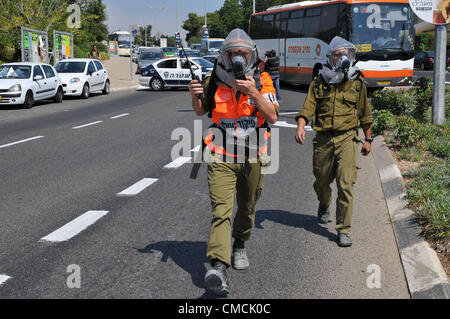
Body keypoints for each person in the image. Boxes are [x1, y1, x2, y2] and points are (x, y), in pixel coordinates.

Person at [188, 29, 279, 296]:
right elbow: (201, 110)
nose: (238, 57)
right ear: (225, 55)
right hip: (221, 153)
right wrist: (194, 94)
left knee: (248, 206)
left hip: (252, 154)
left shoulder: (262, 80)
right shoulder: (214, 79)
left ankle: (239, 242)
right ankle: (218, 266)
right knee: (221, 210)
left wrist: (254, 92)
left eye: (243, 53)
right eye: (233, 53)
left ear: (252, 55)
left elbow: (272, 117)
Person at [294, 36, 373, 247]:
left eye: (346, 54)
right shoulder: (320, 81)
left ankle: (343, 229)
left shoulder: (357, 82)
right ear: (331, 57)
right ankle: (323, 203)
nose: (343, 57)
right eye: (338, 54)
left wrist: (368, 139)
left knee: (346, 184)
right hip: (323, 139)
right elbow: (307, 108)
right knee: (321, 181)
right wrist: (301, 126)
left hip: (348, 137)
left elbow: (365, 113)